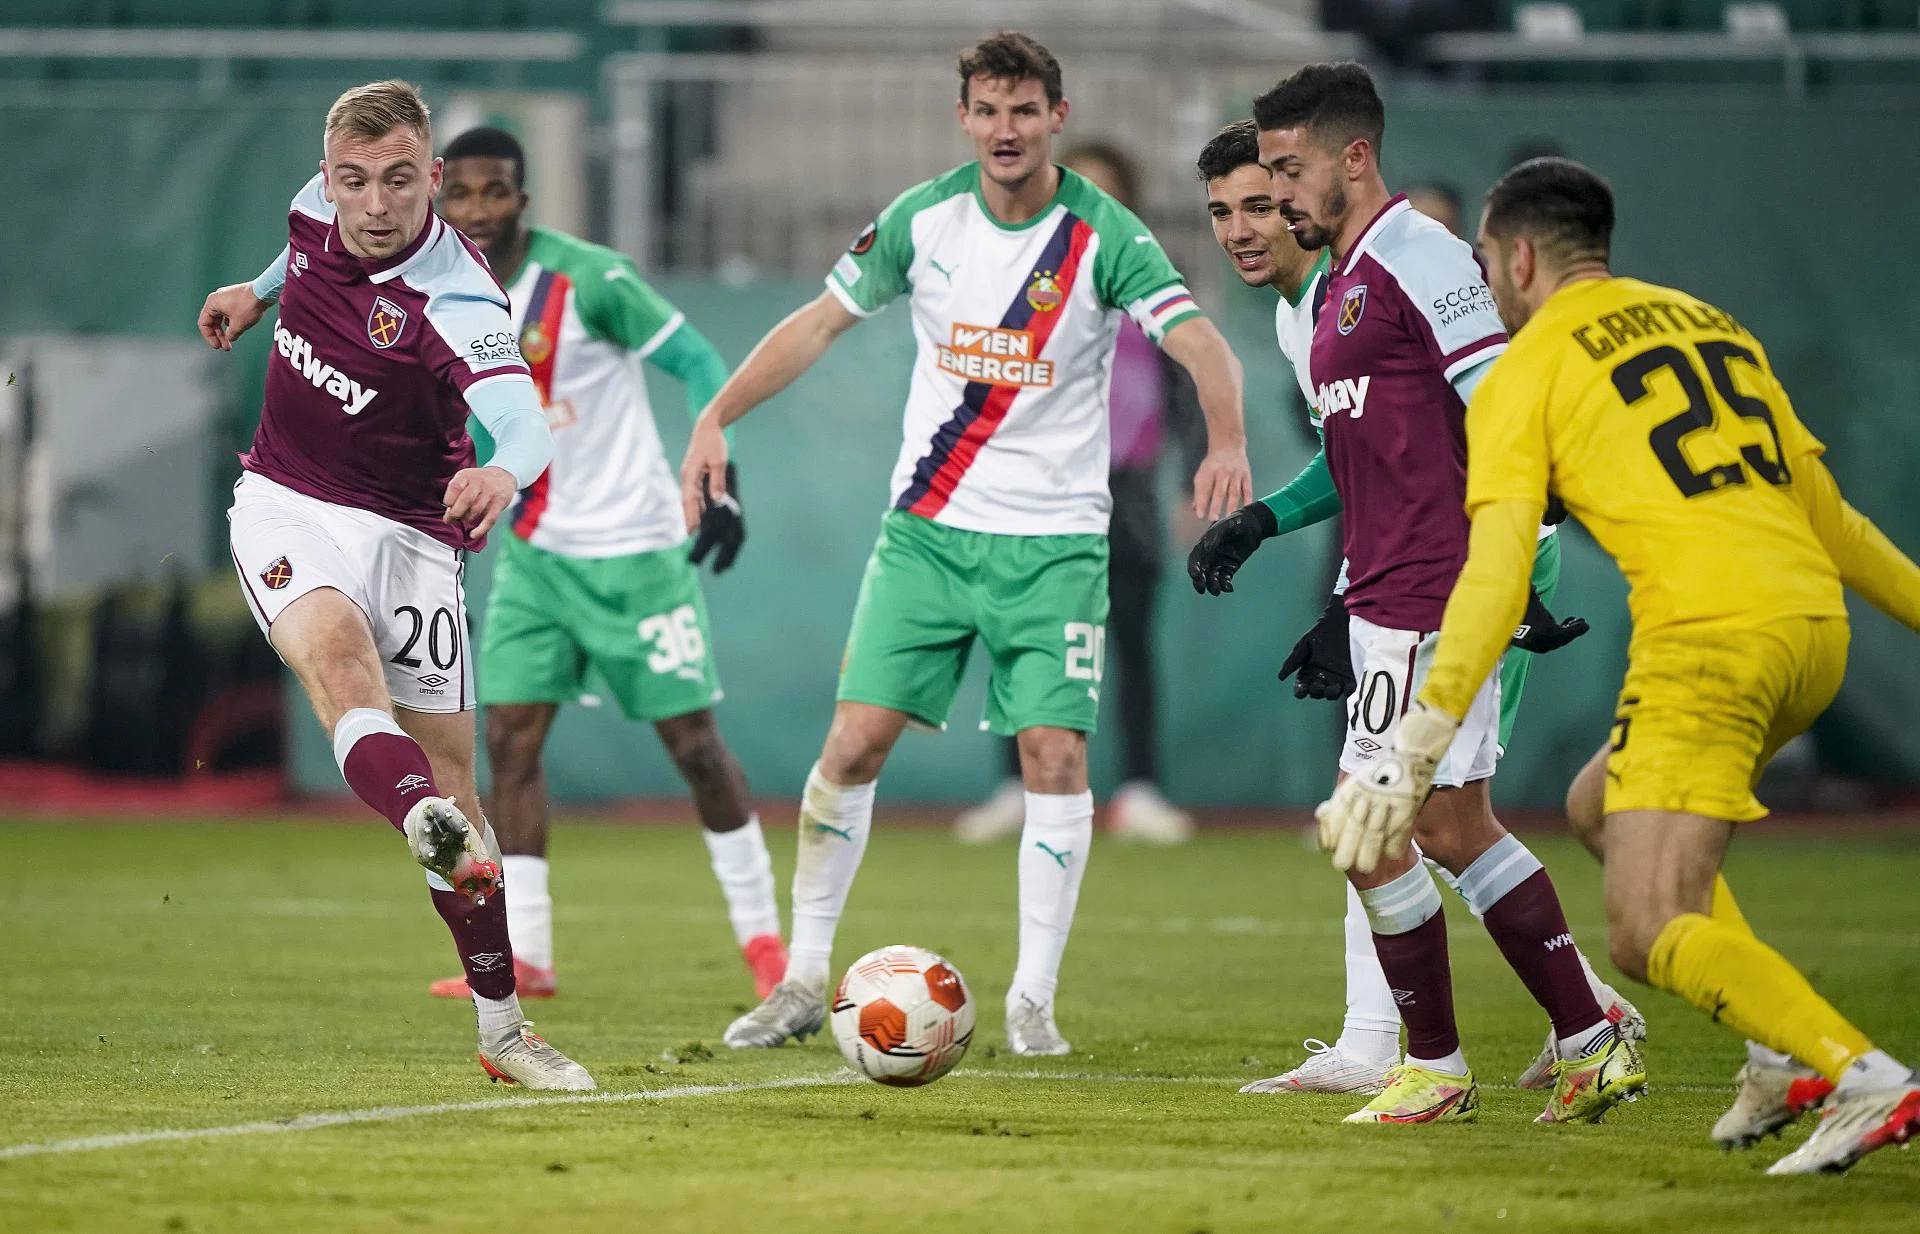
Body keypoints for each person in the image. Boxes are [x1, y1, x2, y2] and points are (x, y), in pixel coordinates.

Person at [1318, 156, 1920, 1174]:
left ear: (1514, 258)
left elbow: (1497, 573)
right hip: (1814, 633)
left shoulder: (1527, 365)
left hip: (1708, 643)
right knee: (1598, 805)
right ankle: (1777, 1054)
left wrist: (1419, 738)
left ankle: (1861, 1074)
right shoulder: (1709, 323)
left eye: (1484, 262)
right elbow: (1837, 522)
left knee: (1644, 929)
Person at [680, 30, 1253, 1056]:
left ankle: (1033, 998)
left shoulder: (1105, 233)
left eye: (1024, 110)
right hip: (928, 537)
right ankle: (805, 978)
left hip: (1055, 546)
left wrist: (1231, 439)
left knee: (1056, 754)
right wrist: (716, 414)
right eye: (987, 109)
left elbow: (1199, 337)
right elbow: (818, 322)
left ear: (1055, 119)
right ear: (964, 118)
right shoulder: (922, 218)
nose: (1005, 128)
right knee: (852, 744)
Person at [1190, 63, 1640, 1125]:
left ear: (1353, 156)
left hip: (1441, 592)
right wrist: (1319, 576)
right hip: (1391, 594)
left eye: (1288, 170)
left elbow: (1501, 403)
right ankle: (1580, 1034)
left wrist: (1520, 558)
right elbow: (1384, 454)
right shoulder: (1342, 281)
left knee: (1389, 830)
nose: (1277, 194)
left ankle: (1445, 1063)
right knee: (1434, 827)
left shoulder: (1420, 255)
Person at [199, 81, 591, 1089]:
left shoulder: (459, 299)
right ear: (331, 173)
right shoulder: (317, 202)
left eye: (401, 181)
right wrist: (257, 290)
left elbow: (529, 421)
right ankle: (414, 813)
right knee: (338, 662)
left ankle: (504, 1032)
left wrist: (503, 470)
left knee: (462, 790)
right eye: (354, 180)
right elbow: (302, 246)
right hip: (285, 501)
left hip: (416, 537)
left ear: (437, 182)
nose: (373, 203)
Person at [426, 126, 787, 1002]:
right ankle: (529, 956)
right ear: (439, 198)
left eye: (496, 191)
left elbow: (699, 360)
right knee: (508, 742)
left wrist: (719, 468)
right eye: (461, 194)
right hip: (538, 560)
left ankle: (769, 948)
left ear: (524, 197)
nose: (478, 210)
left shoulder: (589, 279)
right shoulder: (433, 291)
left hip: (638, 554)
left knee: (694, 747)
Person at [954, 140, 1206, 847]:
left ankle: (1141, 790)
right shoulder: (1025, 275)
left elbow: (1185, 383)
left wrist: (1194, 476)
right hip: (1034, 489)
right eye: (1082, 189)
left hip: (1125, 493)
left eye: (1109, 190)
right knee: (1021, 641)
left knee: (1129, 645)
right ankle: (1015, 784)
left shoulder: (1152, 275)